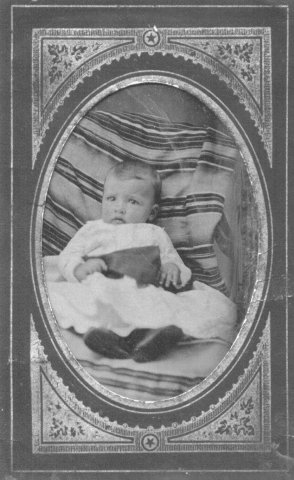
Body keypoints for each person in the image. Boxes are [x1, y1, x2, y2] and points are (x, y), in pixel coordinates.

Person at [48, 160, 236, 362]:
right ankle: (109, 337)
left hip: (143, 289)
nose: (119, 208)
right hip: (103, 284)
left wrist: (172, 268)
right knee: (65, 297)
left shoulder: (154, 233)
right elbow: (68, 255)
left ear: (152, 212)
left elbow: (172, 259)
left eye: (132, 202)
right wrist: (78, 268)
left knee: (164, 308)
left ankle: (149, 339)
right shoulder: (93, 229)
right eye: (111, 199)